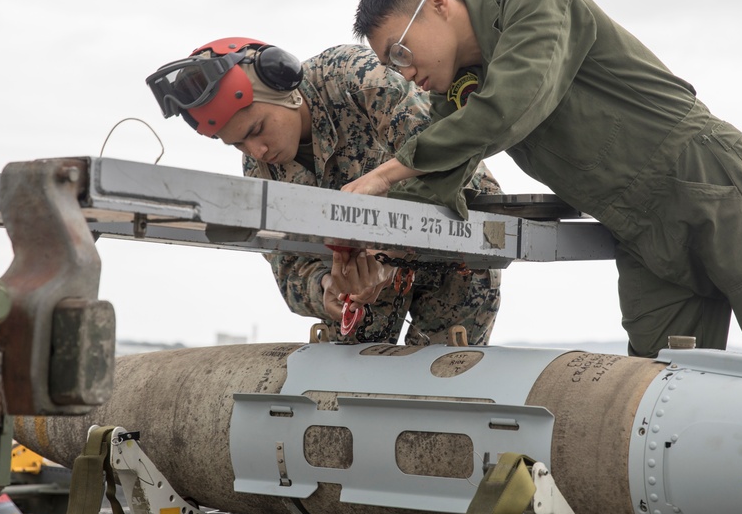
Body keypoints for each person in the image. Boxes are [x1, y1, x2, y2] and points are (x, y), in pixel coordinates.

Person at [345, 0, 742, 386]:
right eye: (392, 66)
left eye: (402, 51)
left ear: (438, 3)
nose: (406, 73)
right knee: (658, 401)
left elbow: (511, 105)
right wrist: (364, 233)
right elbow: (439, 173)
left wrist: (386, 175)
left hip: (704, 179)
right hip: (639, 231)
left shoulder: (534, 2)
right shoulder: (464, 89)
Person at [147, 37, 501, 345]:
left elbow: (442, 160)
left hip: (452, 257)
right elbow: (286, 264)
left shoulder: (357, 79)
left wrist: (387, 255)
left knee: (445, 384)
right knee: (348, 394)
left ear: (283, 88)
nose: (256, 151)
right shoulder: (261, 169)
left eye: (257, 129)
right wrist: (327, 289)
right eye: (237, 144)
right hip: (363, 289)